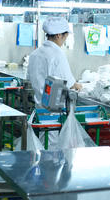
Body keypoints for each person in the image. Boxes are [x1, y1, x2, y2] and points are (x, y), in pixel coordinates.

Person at [27, 17, 82, 148]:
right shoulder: (57, 54)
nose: (66, 39)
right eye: (65, 35)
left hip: (40, 104)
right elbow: (69, 82)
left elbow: (29, 77)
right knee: (52, 142)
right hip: (53, 107)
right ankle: (48, 161)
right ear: (58, 35)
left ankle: (42, 159)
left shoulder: (35, 53)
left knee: (43, 139)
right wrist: (78, 85)